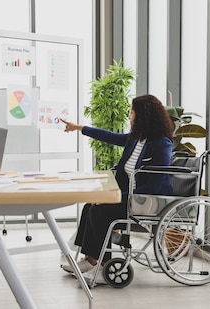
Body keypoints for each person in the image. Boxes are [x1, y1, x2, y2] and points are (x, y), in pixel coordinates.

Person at [59, 94, 173, 284]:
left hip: (146, 201)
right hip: (130, 198)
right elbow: (109, 136)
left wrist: (117, 197)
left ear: (143, 115)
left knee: (100, 212)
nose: (129, 116)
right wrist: (79, 127)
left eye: (132, 112)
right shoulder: (136, 139)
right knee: (90, 207)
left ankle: (104, 266)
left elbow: (154, 185)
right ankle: (90, 260)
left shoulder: (162, 144)